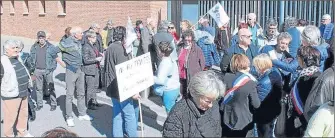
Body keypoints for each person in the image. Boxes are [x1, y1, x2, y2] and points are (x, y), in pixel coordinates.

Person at [163, 70, 225, 137]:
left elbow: (217, 132)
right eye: (207, 101)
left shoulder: (214, 105)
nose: (211, 105)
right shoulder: (178, 113)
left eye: (213, 100)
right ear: (194, 94)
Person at [104, 26, 138, 137]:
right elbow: (125, 73)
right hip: (121, 87)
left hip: (112, 86)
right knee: (129, 115)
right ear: (123, 36)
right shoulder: (120, 49)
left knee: (117, 114)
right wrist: (132, 91)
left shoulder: (110, 47)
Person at [56, 26, 93, 127]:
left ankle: (82, 114)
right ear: (74, 34)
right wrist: (62, 63)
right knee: (70, 95)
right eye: (80, 33)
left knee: (81, 93)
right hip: (71, 70)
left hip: (80, 70)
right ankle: (69, 117)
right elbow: (52, 51)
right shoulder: (66, 42)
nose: (82, 34)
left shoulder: (79, 41)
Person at [220, 54, 260, 137]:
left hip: (225, 117)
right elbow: (256, 104)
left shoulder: (225, 77)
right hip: (243, 120)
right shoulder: (250, 82)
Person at [1, 40, 34, 137]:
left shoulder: (17, 58)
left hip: (23, 92)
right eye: (13, 48)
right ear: (6, 50)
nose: (16, 49)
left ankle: (22, 132)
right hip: (11, 94)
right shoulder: (2, 62)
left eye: (16, 47)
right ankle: (9, 135)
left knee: (23, 114)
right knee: (10, 118)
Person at [286, 46, 322, 137]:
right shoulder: (303, 74)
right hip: (297, 120)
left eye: (298, 57)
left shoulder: (314, 78)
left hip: (304, 122)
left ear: (305, 60)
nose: (297, 60)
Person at [252, 54, 283, 137]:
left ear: (261, 66)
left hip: (265, 113)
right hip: (273, 109)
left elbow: (258, 101)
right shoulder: (275, 71)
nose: (255, 67)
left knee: (264, 134)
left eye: (256, 65)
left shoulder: (265, 82)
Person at [29, 31, 59, 111]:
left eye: (42, 38)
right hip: (37, 70)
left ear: (45, 38)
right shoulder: (34, 47)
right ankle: (39, 104)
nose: (41, 39)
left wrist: (51, 69)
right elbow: (31, 58)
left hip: (47, 70)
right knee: (38, 88)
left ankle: (53, 103)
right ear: (37, 38)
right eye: (39, 38)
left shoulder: (51, 47)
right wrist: (32, 68)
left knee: (51, 87)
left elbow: (55, 59)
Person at [177, 29, 205, 98]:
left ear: (192, 40)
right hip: (180, 72)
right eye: (185, 40)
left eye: (189, 40)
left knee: (190, 92)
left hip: (192, 74)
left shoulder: (197, 49)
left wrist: (198, 73)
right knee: (182, 91)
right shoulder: (179, 47)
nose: (187, 42)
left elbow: (202, 63)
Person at [154, 41, 180, 113]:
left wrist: (151, 78)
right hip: (175, 87)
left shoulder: (164, 63)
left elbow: (160, 80)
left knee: (170, 113)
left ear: (161, 52)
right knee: (174, 111)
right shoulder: (171, 59)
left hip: (169, 90)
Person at [82, 31, 103, 110]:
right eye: (94, 37)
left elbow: (95, 55)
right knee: (90, 88)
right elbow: (86, 60)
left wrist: (100, 55)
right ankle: (89, 103)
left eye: (95, 37)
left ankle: (94, 101)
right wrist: (96, 59)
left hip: (96, 68)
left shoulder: (93, 46)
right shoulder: (86, 47)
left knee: (95, 86)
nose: (95, 38)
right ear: (89, 38)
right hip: (90, 70)